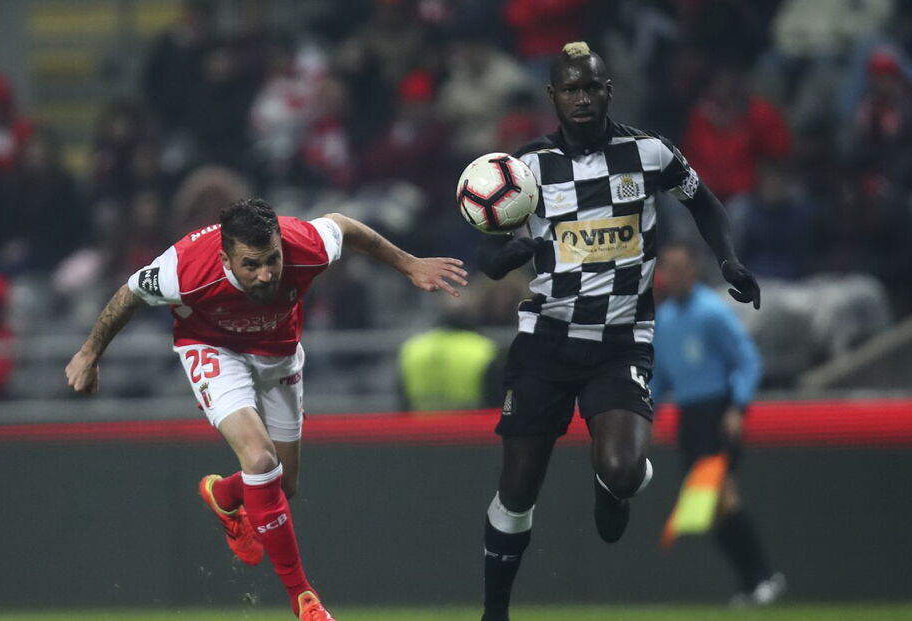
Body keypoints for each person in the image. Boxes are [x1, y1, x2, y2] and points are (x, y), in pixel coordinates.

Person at [65, 198, 467, 621]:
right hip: (213, 350)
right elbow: (128, 294)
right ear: (225, 258)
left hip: (279, 353)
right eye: (251, 264)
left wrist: (409, 265)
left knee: (281, 486)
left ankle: (223, 495)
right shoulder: (183, 270)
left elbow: (345, 227)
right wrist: (90, 353)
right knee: (260, 460)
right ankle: (304, 599)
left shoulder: (304, 244)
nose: (266, 274)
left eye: (272, 259)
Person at [476, 42, 761, 621]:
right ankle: (495, 613)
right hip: (547, 340)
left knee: (624, 469)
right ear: (552, 96)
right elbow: (490, 259)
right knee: (519, 486)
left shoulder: (649, 154)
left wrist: (726, 260)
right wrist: (514, 255)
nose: (582, 99)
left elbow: (705, 204)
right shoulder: (524, 169)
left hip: (621, 337)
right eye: (571, 89)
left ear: (609, 92)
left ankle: (616, 487)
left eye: (592, 88)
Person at [653, 243, 785, 606]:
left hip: (717, 413)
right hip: (689, 418)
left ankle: (762, 578)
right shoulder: (663, 320)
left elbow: (747, 360)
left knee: (723, 498)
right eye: (668, 269)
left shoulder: (711, 312)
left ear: (692, 272)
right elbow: (660, 377)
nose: (673, 276)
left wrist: (736, 407)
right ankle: (752, 582)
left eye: (680, 269)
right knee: (709, 507)